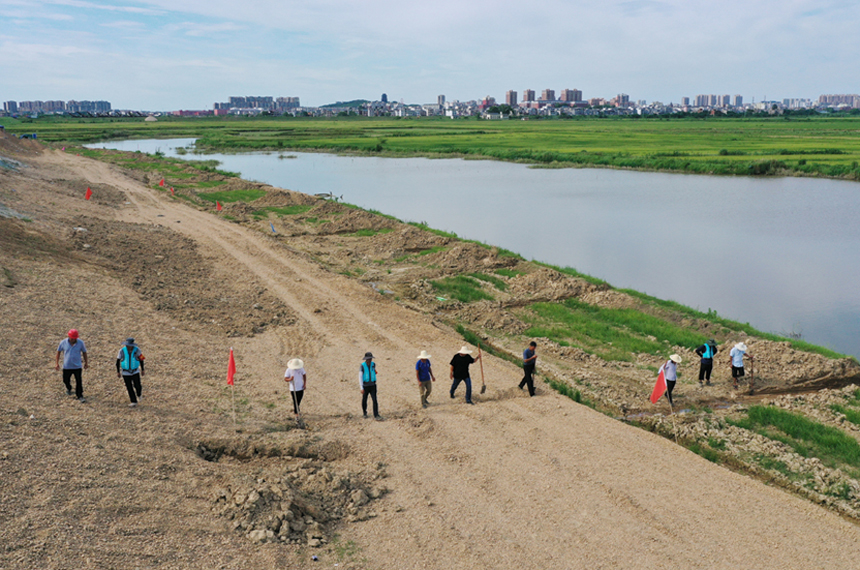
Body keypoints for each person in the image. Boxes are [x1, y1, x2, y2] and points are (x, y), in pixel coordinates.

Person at [56, 329, 88, 403]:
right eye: (72, 338)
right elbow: (58, 352)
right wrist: (57, 363)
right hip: (67, 366)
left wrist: (86, 363)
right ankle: (69, 388)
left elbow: (84, 352)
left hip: (77, 366)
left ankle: (80, 395)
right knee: (65, 380)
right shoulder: (63, 342)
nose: (73, 339)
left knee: (79, 381)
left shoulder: (80, 343)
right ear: (69, 336)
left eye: (75, 338)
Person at [116, 337, 145, 407]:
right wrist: (118, 371)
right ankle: (133, 401)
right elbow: (117, 361)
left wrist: (142, 369)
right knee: (129, 387)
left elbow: (142, 359)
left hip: (135, 371)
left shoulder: (137, 350)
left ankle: (139, 394)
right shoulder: (122, 351)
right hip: (125, 372)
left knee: (137, 385)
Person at [359, 352, 382, 420]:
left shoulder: (373, 364)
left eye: (370, 358)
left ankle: (376, 414)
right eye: (368, 359)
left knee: (375, 400)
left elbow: (373, 371)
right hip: (365, 386)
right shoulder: (362, 366)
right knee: (364, 400)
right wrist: (361, 387)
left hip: (372, 385)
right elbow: (360, 376)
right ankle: (364, 413)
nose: (370, 360)